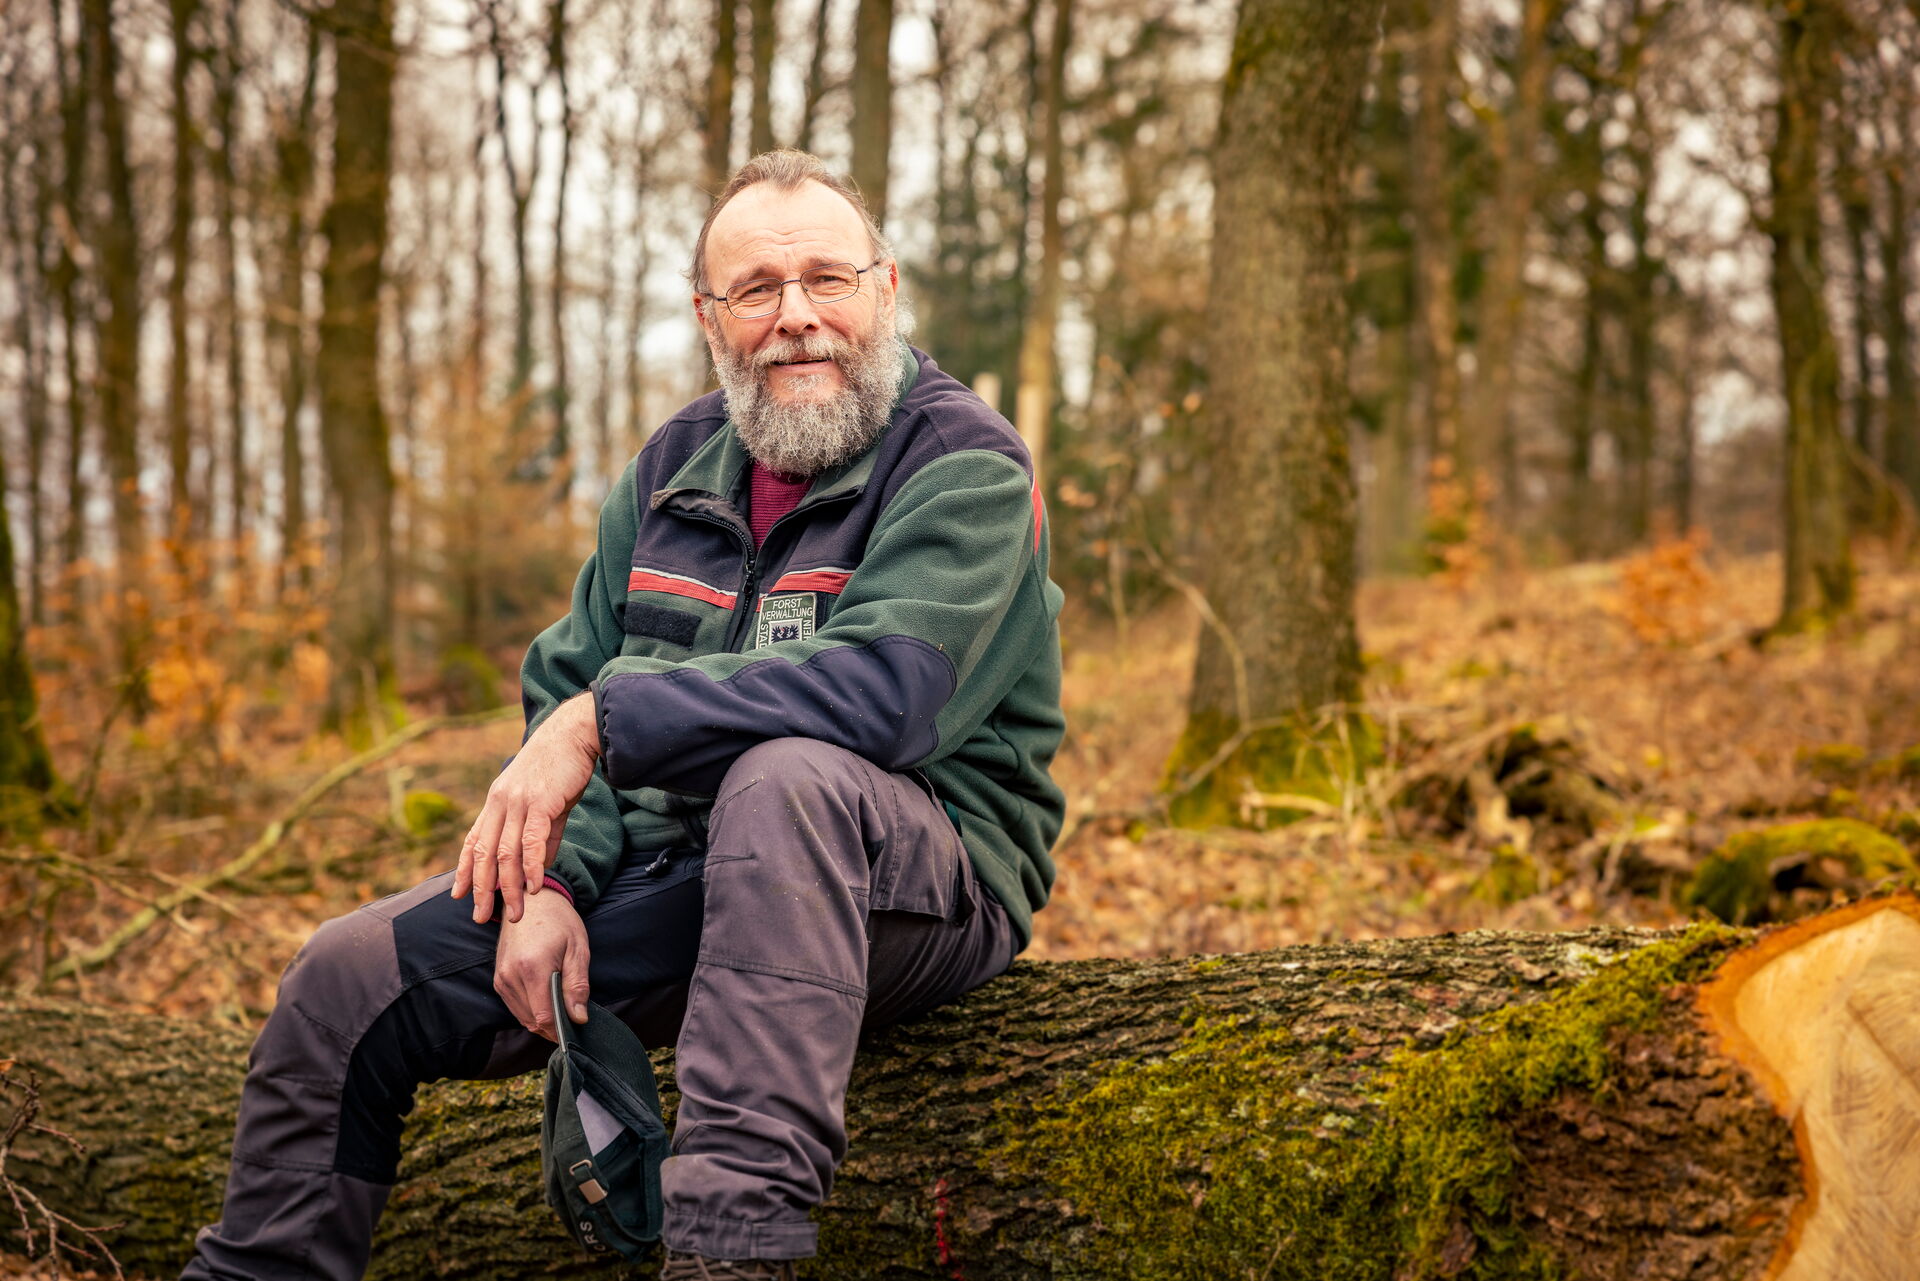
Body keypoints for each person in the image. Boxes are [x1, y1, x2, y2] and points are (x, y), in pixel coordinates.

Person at [181, 149, 1065, 1281]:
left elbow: (886, 695)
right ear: (711, 318)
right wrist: (553, 882)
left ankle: (728, 1258)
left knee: (786, 778)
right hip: (688, 868)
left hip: (923, 878)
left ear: (885, 290)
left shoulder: (965, 464)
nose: (797, 317)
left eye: (828, 280)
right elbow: (574, 681)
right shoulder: (668, 471)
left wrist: (605, 721)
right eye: (756, 290)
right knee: (348, 978)